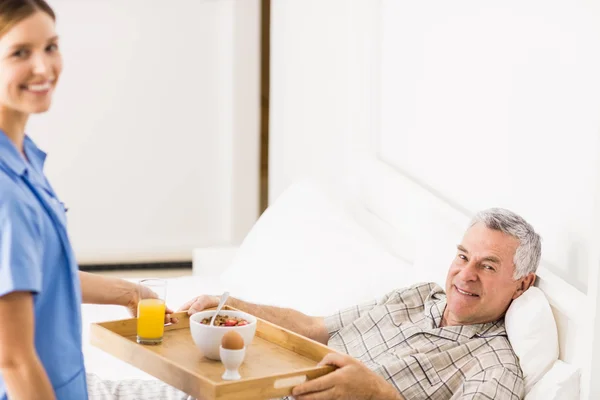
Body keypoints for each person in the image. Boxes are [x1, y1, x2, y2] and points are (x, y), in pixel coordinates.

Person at [0, 2, 188, 399]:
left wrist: (130, 293)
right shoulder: (5, 193)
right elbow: (13, 359)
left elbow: (39, 275)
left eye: (50, 47)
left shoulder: (23, 157)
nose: (43, 67)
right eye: (20, 52)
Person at [180, 208, 541, 399]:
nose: (466, 274)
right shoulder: (418, 296)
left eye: (488, 266)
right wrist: (228, 306)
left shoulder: (494, 368)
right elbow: (311, 327)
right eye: (463, 257)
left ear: (521, 285)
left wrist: (377, 395)